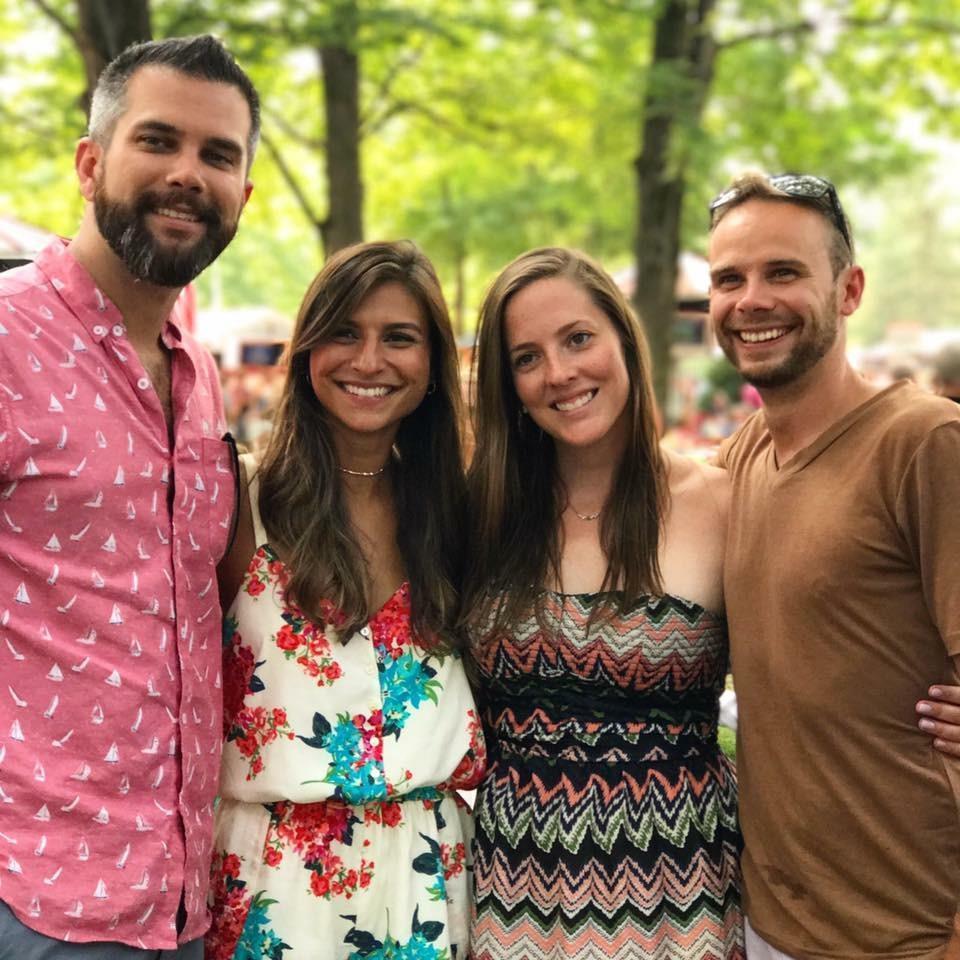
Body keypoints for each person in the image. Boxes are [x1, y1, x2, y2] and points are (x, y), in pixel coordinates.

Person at [0, 35, 258, 957]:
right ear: (90, 162)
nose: (188, 174)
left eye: (218, 155)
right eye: (159, 140)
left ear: (243, 197)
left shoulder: (198, 379)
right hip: (34, 902)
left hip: (184, 902)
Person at [205, 241, 486, 960]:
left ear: (432, 367)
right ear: (305, 352)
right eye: (344, 332)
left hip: (428, 876)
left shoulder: (461, 516)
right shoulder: (239, 501)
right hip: (275, 882)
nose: (369, 360)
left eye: (399, 337)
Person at [462, 248, 742, 959]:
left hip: (678, 899)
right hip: (511, 896)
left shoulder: (721, 502)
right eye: (526, 357)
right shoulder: (480, 513)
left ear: (624, 338)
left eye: (578, 338)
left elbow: (810, 677)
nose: (559, 373)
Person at [708, 172, 960, 960]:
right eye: (729, 279)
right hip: (767, 926)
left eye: (783, 272)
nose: (751, 300)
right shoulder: (735, 462)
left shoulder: (923, 443)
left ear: (849, 290)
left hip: (909, 932)